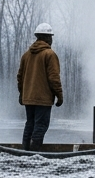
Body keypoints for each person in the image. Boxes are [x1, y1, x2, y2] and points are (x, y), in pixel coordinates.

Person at [17, 22, 63, 151]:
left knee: (29, 125)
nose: (51, 39)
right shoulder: (49, 54)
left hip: (28, 97)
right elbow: (54, 78)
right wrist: (59, 96)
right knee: (41, 125)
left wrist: (22, 94)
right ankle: (34, 153)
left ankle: (25, 151)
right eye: (51, 37)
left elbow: (20, 77)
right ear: (47, 38)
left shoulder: (26, 55)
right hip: (43, 98)